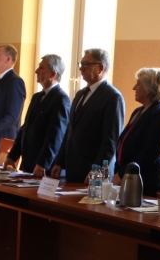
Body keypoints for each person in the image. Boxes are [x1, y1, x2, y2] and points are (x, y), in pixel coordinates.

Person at [50, 48, 125, 183]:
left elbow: (110, 141)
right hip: (72, 170)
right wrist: (59, 161)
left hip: (93, 172)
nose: (81, 68)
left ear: (100, 68)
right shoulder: (80, 94)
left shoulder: (113, 97)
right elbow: (70, 131)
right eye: (81, 64)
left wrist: (96, 171)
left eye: (86, 64)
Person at [113, 67, 160, 196]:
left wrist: (123, 173)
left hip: (147, 181)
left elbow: (150, 152)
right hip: (130, 177)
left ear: (148, 89)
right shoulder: (139, 111)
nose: (134, 88)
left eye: (138, 83)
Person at [7, 54, 70, 177]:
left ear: (53, 74)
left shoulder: (61, 99)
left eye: (41, 68)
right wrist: (12, 156)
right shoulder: (37, 97)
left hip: (43, 168)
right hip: (28, 163)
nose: (36, 71)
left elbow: (55, 136)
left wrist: (42, 164)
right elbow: (25, 129)